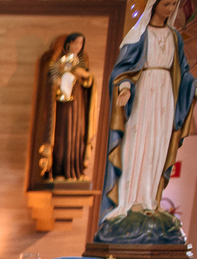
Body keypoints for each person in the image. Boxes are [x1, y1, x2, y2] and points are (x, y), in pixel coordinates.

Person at [98, 0, 195, 232]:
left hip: (165, 96)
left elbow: (183, 71)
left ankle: (151, 199)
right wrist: (125, 87)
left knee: (158, 145)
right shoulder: (138, 34)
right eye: (167, 3)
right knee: (138, 143)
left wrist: (193, 88)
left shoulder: (174, 36)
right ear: (154, 4)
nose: (171, 9)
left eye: (174, 4)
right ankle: (131, 202)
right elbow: (123, 69)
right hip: (143, 95)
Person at [47, 33, 94, 181]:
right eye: (75, 43)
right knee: (63, 133)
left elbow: (89, 81)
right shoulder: (60, 61)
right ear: (68, 44)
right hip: (63, 104)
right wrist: (64, 78)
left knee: (77, 134)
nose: (78, 47)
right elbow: (53, 76)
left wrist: (85, 75)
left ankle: (75, 170)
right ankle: (59, 170)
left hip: (78, 103)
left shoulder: (81, 62)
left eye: (81, 44)